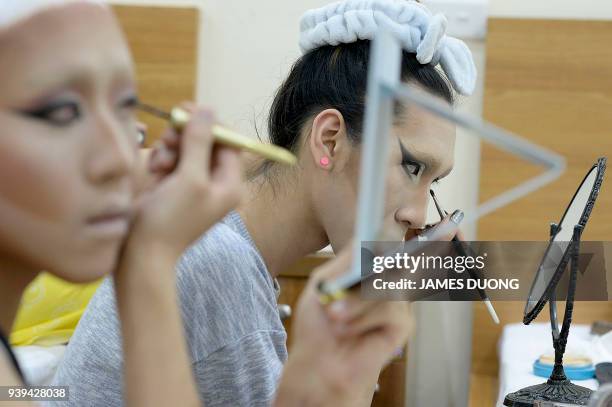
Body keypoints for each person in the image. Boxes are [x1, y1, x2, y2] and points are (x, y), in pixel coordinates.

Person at [55, 0, 475, 405]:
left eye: (432, 184)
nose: (418, 216)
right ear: (329, 139)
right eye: (412, 167)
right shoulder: (221, 264)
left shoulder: (228, 246)